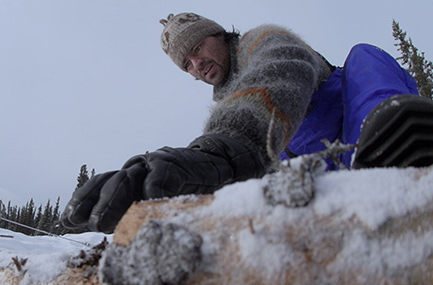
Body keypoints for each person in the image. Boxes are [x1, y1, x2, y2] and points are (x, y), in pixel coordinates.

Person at [61, 12, 433, 233]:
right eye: (186, 64)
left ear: (218, 34)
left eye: (196, 48)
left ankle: (399, 142)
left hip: (363, 126)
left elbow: (282, 68)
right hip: (322, 174)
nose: (196, 64)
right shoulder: (225, 106)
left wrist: (226, 149)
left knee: (364, 56)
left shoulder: (261, 41)